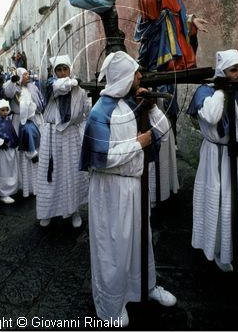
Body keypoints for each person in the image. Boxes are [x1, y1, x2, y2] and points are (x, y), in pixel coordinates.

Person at [80, 51, 177, 327]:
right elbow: (102, 159)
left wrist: (152, 106)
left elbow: (164, 133)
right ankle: (112, 305)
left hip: (135, 186)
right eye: (135, 73)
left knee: (139, 241)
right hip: (111, 191)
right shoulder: (100, 111)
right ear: (124, 76)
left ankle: (145, 286)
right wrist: (138, 143)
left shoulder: (133, 104)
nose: (140, 77)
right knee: (113, 247)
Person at [187, 49, 238, 272]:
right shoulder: (205, 93)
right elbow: (211, 116)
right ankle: (220, 253)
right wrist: (220, 90)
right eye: (233, 70)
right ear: (222, 71)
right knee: (218, 203)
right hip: (214, 158)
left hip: (237, 161)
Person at [36, 54, 90, 228]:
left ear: (70, 69)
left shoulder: (80, 90)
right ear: (54, 72)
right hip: (52, 135)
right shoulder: (50, 86)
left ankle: (73, 211)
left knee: (72, 172)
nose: (62, 72)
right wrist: (73, 81)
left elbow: (85, 111)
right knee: (50, 174)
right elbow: (62, 87)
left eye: (65, 69)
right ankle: (47, 212)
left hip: (72, 134)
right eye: (58, 69)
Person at [3, 68, 44, 197]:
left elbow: (40, 101)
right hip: (18, 122)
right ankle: (23, 184)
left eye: (27, 74)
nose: (28, 76)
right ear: (20, 76)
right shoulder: (14, 88)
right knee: (21, 152)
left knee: (36, 149)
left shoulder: (32, 87)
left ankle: (37, 184)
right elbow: (8, 93)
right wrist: (14, 82)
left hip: (34, 121)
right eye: (25, 74)